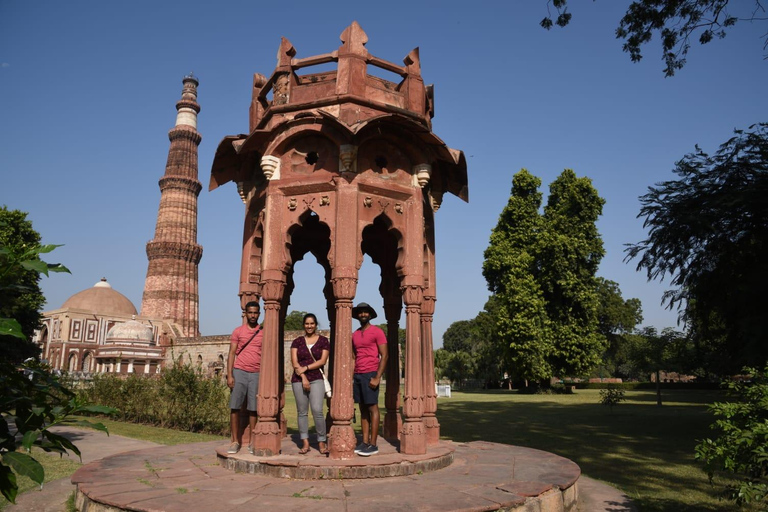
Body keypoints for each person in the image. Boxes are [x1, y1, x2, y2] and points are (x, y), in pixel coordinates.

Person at [290, 313, 331, 455]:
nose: (309, 326)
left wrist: (306, 368)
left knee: (317, 410)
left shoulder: (324, 341)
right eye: (307, 324)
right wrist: (303, 377)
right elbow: (295, 362)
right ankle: (305, 442)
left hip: (316, 377)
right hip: (298, 379)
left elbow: (322, 361)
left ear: (316, 325)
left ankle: (321, 441)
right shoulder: (297, 342)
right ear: (303, 325)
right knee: (302, 412)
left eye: (312, 323)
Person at [351, 302, 388, 457]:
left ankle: (373, 444)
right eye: (360, 312)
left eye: (365, 312)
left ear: (370, 314)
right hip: (358, 374)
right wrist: (351, 375)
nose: (363, 314)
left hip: (371, 373)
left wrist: (377, 377)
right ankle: (364, 442)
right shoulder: (355, 334)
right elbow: (354, 356)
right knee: (362, 409)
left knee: (373, 407)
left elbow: (384, 355)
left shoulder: (377, 332)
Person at [226, 301, 263, 455]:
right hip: (240, 370)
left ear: (259, 314)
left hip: (256, 372)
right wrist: (230, 375)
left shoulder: (263, 332)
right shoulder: (238, 331)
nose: (253, 315)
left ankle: (253, 442)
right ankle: (235, 441)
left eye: (255, 313)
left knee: (253, 409)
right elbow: (232, 353)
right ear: (245, 314)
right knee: (235, 407)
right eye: (250, 312)